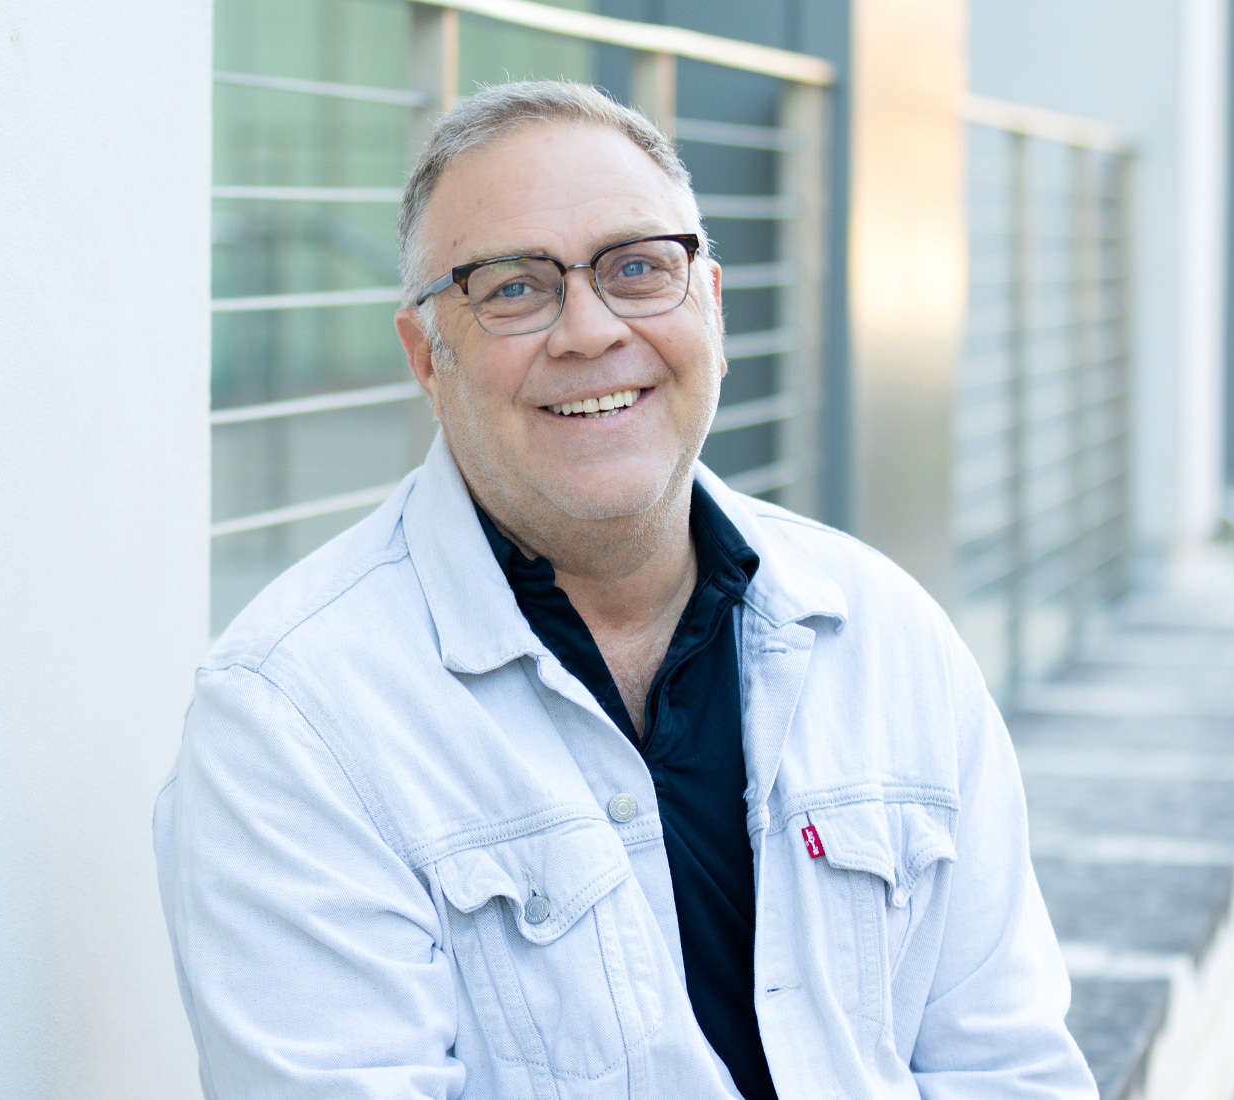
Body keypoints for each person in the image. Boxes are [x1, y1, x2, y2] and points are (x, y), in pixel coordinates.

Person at [154, 80, 1097, 1100]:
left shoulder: (889, 633)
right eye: (513, 286)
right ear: (428, 356)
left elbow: (1012, 1071)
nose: (590, 330)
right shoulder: (295, 718)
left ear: (713, 308)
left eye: (638, 268)